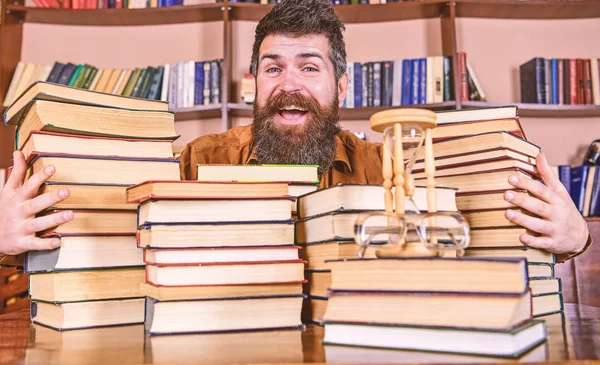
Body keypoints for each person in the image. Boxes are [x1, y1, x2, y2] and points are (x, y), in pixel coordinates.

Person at [0, 0, 590, 263]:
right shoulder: (193, 161)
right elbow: (104, 246)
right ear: (253, 81)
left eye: (310, 67)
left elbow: (480, 246)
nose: (290, 84)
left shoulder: (393, 169)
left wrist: (574, 239)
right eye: (273, 67)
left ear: (343, 86)